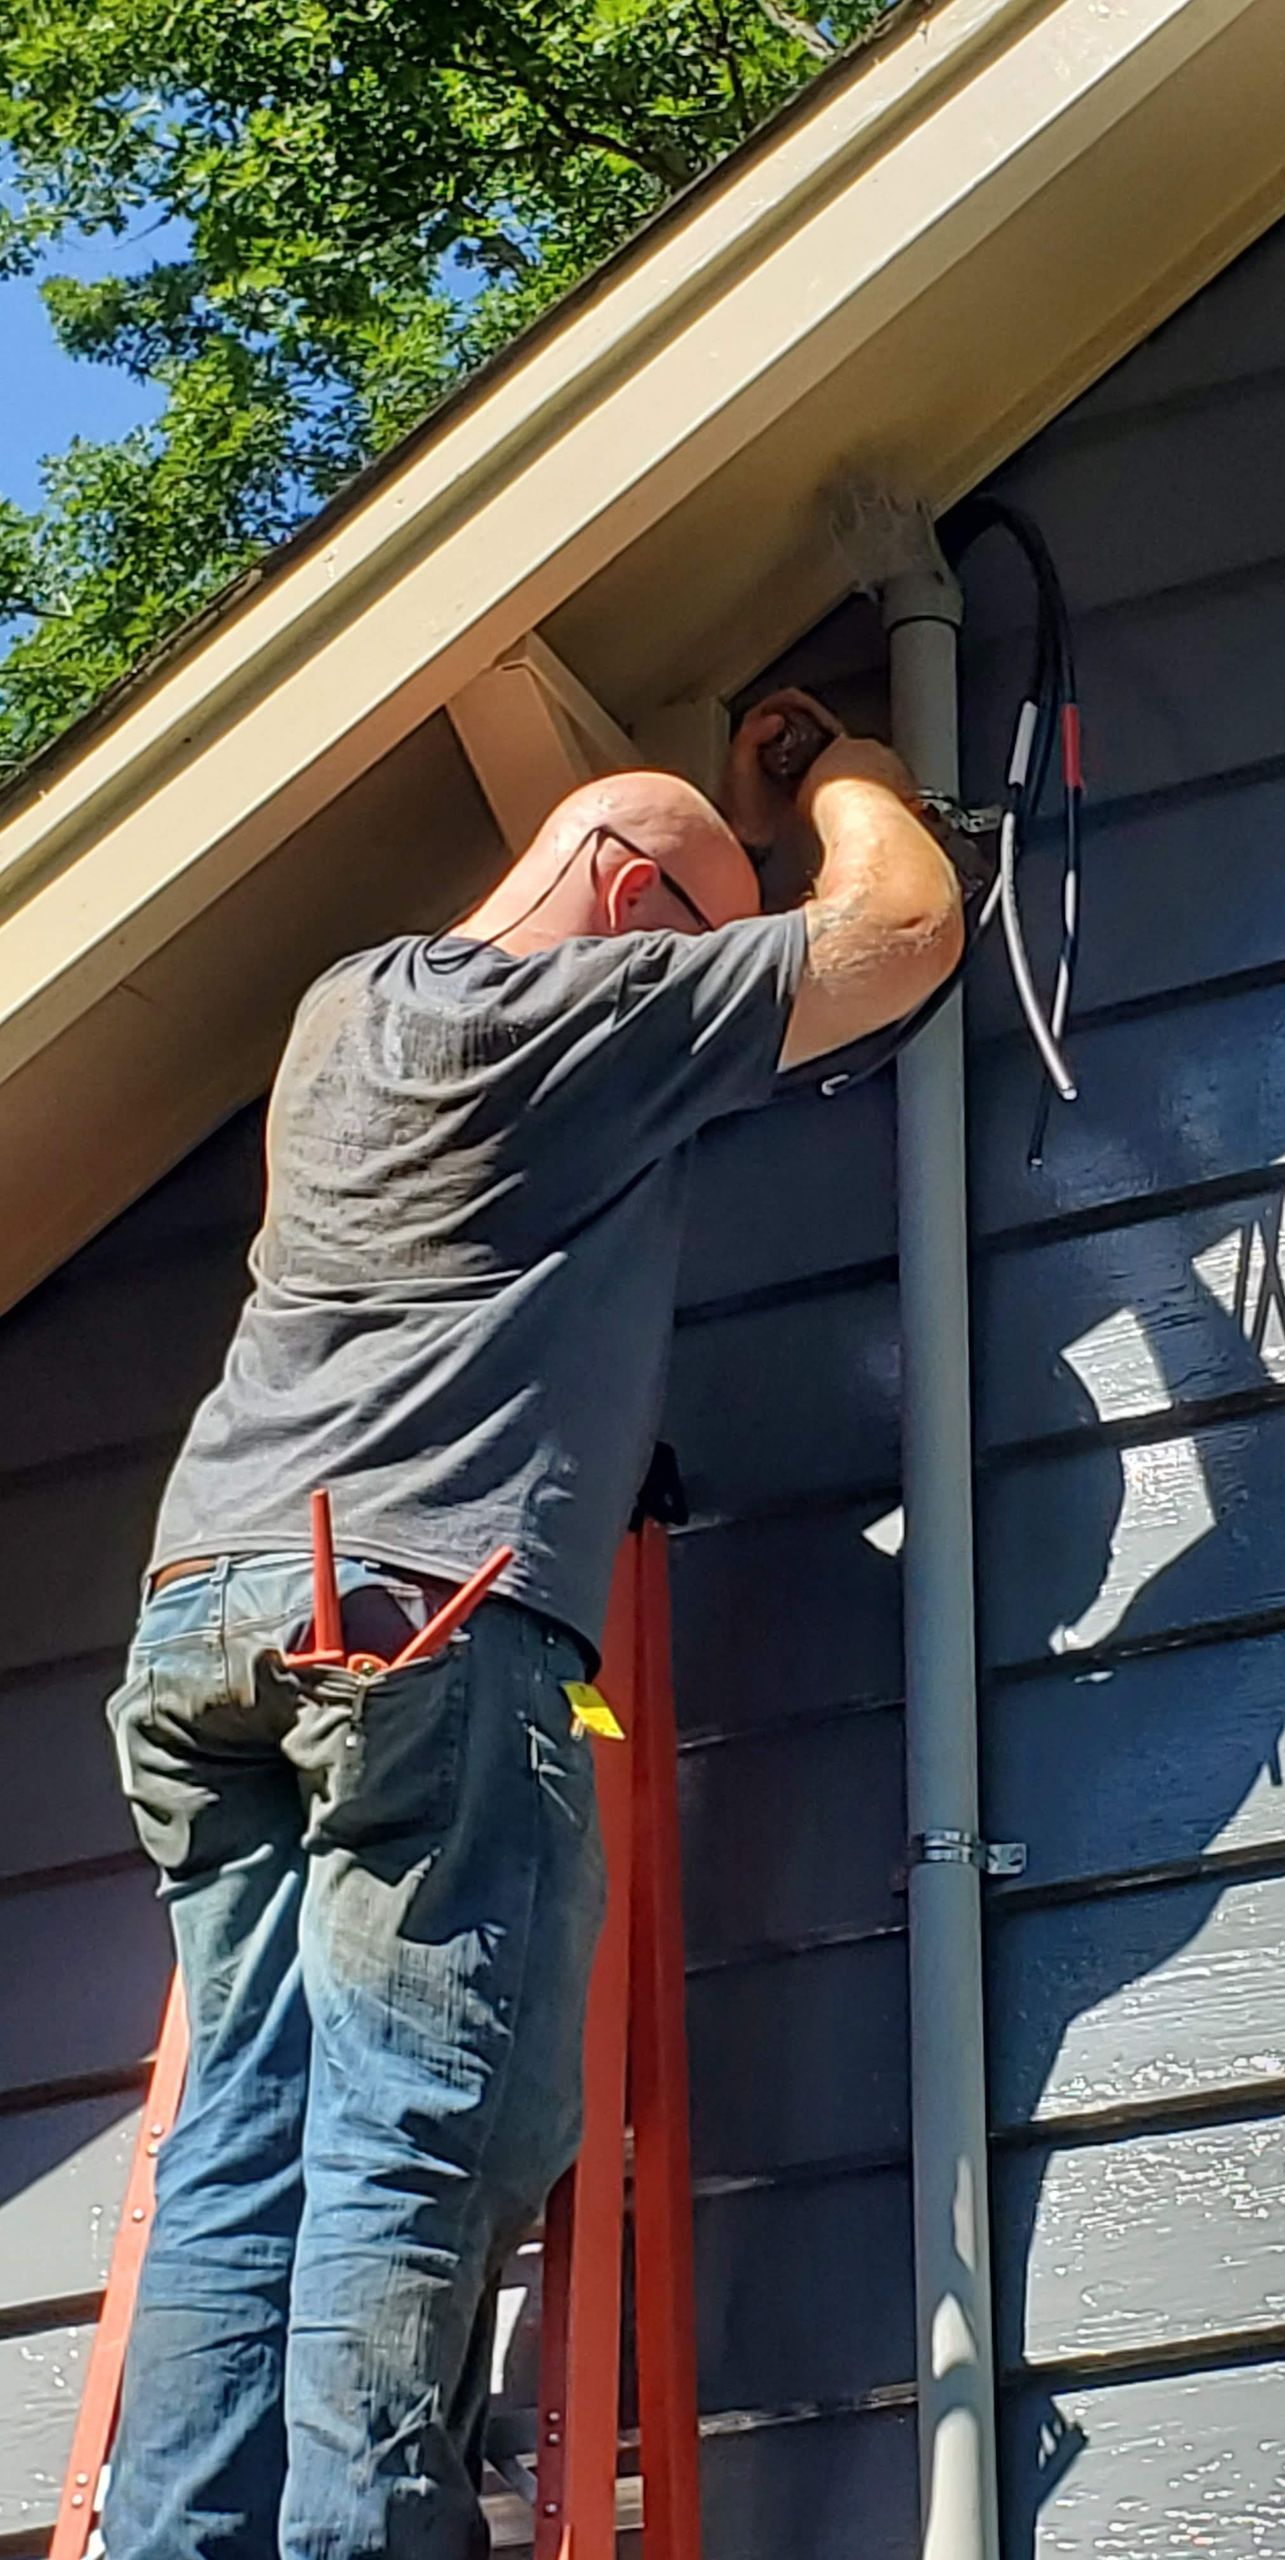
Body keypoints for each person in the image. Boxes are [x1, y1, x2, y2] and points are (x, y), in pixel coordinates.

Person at [100, 691, 961, 2560]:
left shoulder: (345, 1014)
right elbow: (898, 934)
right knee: (421, 2126)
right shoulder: (575, 1021)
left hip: (206, 1622)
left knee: (247, 2138)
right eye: (688, 943)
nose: (702, 994)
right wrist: (841, 776)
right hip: (418, 1628)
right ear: (623, 895)